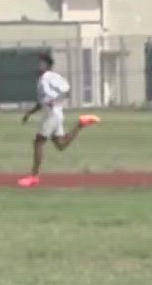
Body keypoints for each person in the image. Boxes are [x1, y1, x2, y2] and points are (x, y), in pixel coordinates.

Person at [18, 52, 99, 187]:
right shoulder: (47, 78)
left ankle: (34, 177)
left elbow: (64, 92)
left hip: (52, 114)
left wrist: (53, 100)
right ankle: (80, 123)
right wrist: (29, 113)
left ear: (45, 65)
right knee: (61, 145)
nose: (38, 65)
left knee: (38, 143)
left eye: (40, 63)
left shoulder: (47, 78)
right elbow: (45, 100)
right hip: (55, 113)